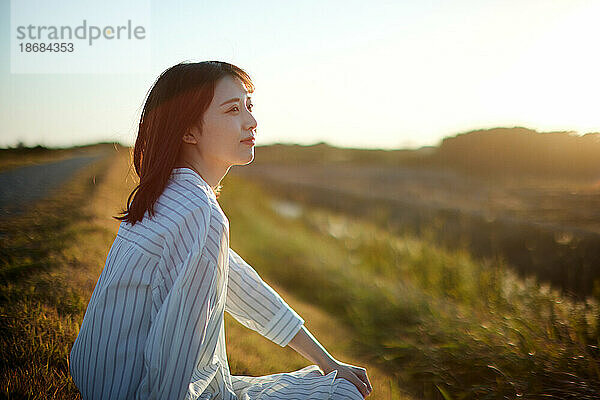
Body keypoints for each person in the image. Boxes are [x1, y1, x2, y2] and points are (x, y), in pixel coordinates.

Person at [69, 61, 373, 400]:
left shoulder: (170, 195)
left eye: (249, 106)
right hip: (136, 391)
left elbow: (241, 285)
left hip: (107, 385)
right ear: (189, 131)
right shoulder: (199, 213)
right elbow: (177, 346)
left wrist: (325, 360)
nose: (251, 121)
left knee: (331, 381)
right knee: (344, 394)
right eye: (232, 110)